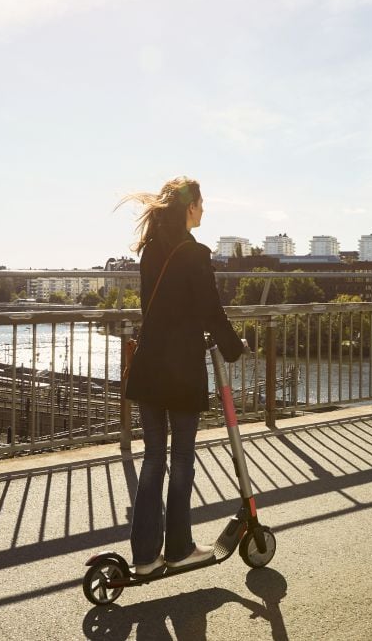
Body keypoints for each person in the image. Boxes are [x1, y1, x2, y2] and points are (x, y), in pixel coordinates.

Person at [120, 176, 245, 576]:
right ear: (189, 207)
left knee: (153, 458)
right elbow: (211, 309)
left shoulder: (151, 251)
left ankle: (143, 557)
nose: (204, 209)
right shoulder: (194, 253)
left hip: (149, 364)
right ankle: (179, 548)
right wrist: (234, 347)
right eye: (201, 203)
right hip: (182, 369)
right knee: (183, 457)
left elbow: (156, 309)